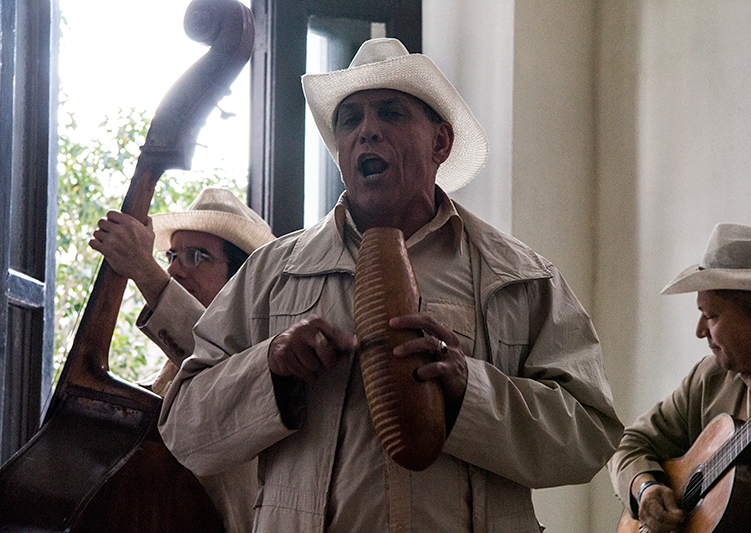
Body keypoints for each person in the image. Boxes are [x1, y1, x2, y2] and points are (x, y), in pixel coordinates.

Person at [159, 38, 623, 532]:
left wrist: (472, 389)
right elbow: (184, 430)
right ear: (339, 149)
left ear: (440, 142)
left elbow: (590, 435)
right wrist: (270, 368)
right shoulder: (272, 274)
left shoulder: (521, 278)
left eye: (391, 113)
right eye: (349, 120)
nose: (367, 132)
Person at [89, 187, 275, 533]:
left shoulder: (259, 348)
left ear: (239, 280)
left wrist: (146, 271)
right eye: (172, 256)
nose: (174, 270)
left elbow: (214, 358)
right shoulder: (171, 365)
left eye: (197, 256)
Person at [608, 223, 751, 533]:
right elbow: (630, 443)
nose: (700, 331)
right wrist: (645, 488)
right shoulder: (710, 378)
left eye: (711, 316)